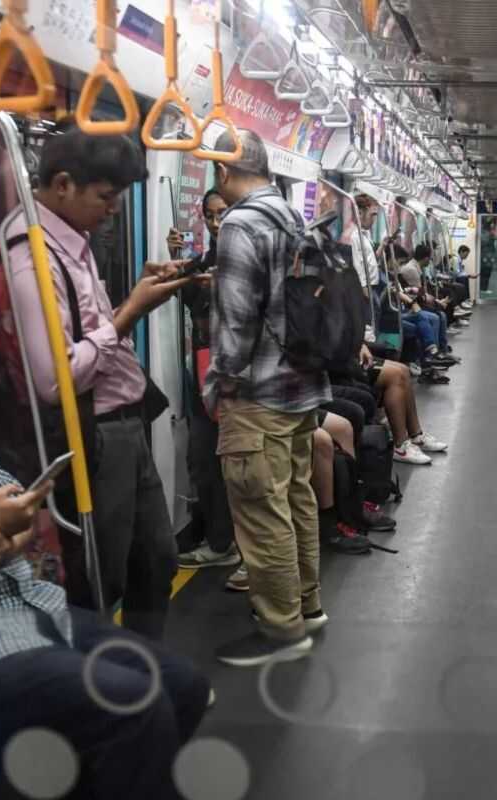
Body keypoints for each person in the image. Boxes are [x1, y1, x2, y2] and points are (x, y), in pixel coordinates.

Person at [0, 396, 208, 798]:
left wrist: (5, 541)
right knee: (133, 705)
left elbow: (17, 506)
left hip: (33, 605)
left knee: (185, 685)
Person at [0, 121, 190, 640]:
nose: (113, 210)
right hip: (95, 438)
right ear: (63, 185)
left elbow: (91, 328)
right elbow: (54, 379)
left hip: (125, 427)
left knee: (155, 558)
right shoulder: (31, 254)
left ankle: (144, 668)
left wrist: (133, 293)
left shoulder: (75, 244)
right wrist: (131, 311)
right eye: (105, 197)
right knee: (97, 579)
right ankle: (104, 686)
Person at [203, 128, 329, 667]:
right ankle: (306, 604)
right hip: (301, 388)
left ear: (225, 173)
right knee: (295, 498)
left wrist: (219, 384)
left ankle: (281, 630)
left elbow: (235, 324)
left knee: (260, 510)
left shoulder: (240, 224)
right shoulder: (295, 219)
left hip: (259, 395)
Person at [166, 190, 244, 581]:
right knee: (203, 457)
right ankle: (221, 540)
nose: (216, 222)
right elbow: (188, 297)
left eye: (223, 213)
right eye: (210, 216)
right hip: (203, 367)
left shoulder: (247, 259)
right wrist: (175, 261)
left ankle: (237, 545)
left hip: (235, 373)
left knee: (235, 460)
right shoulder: (205, 261)